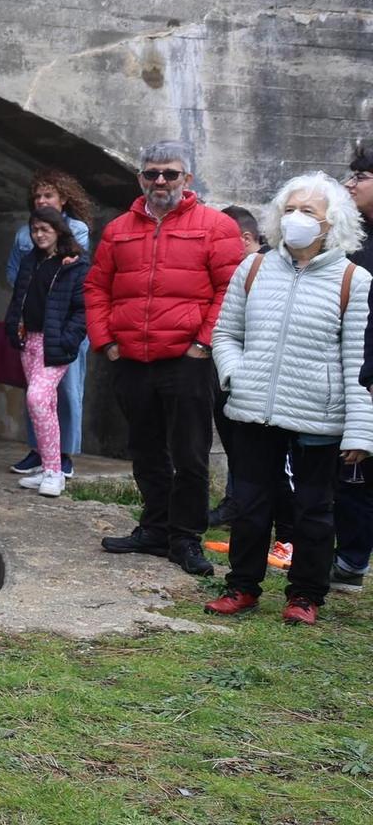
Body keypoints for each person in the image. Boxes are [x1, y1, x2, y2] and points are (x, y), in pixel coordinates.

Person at [206, 173, 371, 623]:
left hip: (319, 416)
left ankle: (305, 596)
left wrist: (360, 431)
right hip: (254, 410)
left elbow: (359, 363)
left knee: (314, 510)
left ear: (330, 222)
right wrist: (237, 375)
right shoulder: (254, 267)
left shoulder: (353, 281)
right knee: (251, 504)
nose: (297, 218)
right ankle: (242, 587)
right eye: (290, 209)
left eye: (309, 211)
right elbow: (226, 334)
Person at [90, 141, 245, 577]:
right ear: (140, 178)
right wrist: (108, 343)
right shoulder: (119, 228)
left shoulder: (215, 227)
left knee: (190, 454)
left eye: (170, 174)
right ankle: (155, 528)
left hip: (186, 359)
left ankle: (186, 537)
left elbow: (230, 291)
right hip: (133, 359)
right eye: (152, 173)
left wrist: (202, 344)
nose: (161, 181)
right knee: (145, 450)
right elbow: (97, 287)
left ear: (187, 179)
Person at [206, 206, 295, 541]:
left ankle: (287, 534)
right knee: (243, 460)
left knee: (278, 466)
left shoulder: (273, 270)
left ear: (245, 238)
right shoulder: (239, 269)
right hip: (233, 379)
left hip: (269, 383)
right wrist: (231, 371)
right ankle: (240, 509)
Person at [5, 170, 96, 478]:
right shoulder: (24, 233)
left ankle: (64, 455)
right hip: (33, 328)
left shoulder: (77, 229)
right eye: (38, 196)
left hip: (63, 325)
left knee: (67, 391)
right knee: (36, 392)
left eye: (49, 195)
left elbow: (74, 269)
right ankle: (39, 451)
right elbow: (14, 274)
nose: (42, 200)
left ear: (64, 199)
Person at [337, 145, 373, 591]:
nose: (349, 185)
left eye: (360, 176)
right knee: (353, 471)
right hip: (357, 372)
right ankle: (351, 560)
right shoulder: (353, 239)